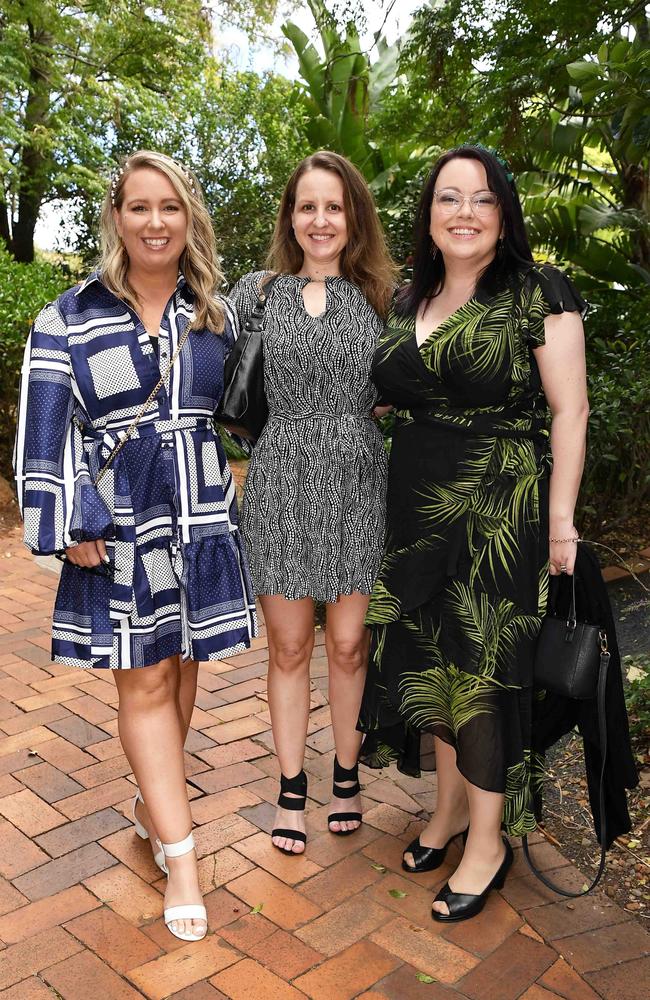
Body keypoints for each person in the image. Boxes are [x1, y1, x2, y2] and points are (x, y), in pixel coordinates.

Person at [14, 150, 257, 941]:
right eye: (140, 207)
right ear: (117, 219)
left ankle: (157, 806)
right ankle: (181, 858)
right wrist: (64, 520)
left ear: (190, 219)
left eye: (171, 207)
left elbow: (245, 412)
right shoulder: (70, 316)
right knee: (144, 680)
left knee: (181, 670)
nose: (156, 222)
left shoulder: (213, 315)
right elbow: (43, 429)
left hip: (198, 507)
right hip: (117, 517)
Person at [357, 144, 589, 922]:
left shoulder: (535, 290)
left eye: (482, 198)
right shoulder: (405, 298)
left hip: (500, 505)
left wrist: (560, 520)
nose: (464, 212)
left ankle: (489, 842)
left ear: (504, 213)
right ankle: (451, 813)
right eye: (448, 197)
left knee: (484, 670)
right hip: (415, 503)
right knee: (433, 662)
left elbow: (571, 411)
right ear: (428, 214)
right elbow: (391, 397)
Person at [229, 150, 396, 855]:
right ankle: (292, 787)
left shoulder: (388, 295)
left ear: (352, 216)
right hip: (279, 477)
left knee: (351, 645)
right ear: (290, 218)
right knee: (291, 646)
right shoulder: (257, 293)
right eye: (307, 207)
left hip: (360, 477)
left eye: (334, 206)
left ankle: (349, 774)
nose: (320, 220)